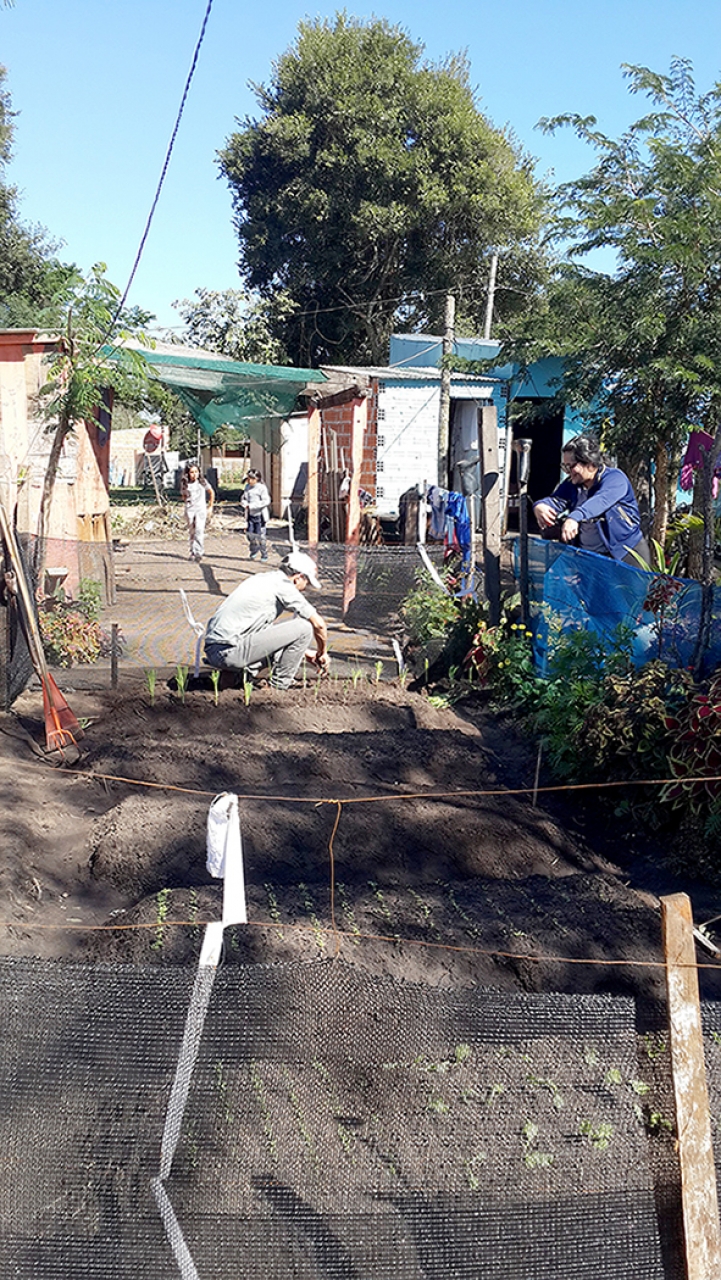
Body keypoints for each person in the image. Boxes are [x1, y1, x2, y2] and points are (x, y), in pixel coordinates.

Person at [203, 551, 330, 689]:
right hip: (229, 651)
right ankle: (279, 687)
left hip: (216, 649)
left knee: (279, 634)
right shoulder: (283, 586)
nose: (305, 589)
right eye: (307, 582)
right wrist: (321, 653)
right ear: (298, 578)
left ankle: (234, 678)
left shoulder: (262, 579)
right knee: (303, 628)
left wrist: (305, 653)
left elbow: (263, 635)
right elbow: (319, 625)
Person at [533, 434, 650, 566]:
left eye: (571, 466)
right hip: (590, 557)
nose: (568, 472)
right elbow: (556, 500)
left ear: (589, 463)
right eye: (564, 467)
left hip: (625, 553)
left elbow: (600, 501)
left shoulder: (616, 479)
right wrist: (540, 506)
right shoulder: (572, 484)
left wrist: (573, 518)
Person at [181, 461, 215, 562]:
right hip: (190, 509)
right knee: (192, 531)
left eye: (196, 472)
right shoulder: (185, 484)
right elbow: (184, 496)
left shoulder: (202, 482)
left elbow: (211, 492)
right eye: (192, 472)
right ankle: (192, 551)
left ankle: (199, 552)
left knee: (199, 530)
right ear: (188, 473)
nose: (194, 474)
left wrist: (210, 506)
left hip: (200, 509)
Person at [241, 469, 271, 561]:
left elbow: (266, 501)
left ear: (257, 479)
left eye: (251, 479)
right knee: (250, 535)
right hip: (250, 515)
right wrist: (244, 503)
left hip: (259, 515)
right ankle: (254, 550)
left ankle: (264, 554)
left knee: (261, 536)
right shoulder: (247, 487)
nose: (249, 481)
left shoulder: (262, 488)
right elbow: (244, 497)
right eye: (248, 479)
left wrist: (252, 506)